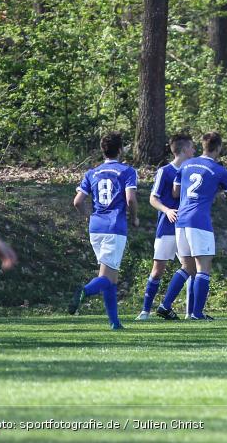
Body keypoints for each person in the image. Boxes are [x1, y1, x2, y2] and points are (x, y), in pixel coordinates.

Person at [156, 132, 227, 321]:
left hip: (180, 220)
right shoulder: (219, 170)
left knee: (187, 266)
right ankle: (197, 314)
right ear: (219, 148)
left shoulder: (185, 165)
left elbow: (175, 192)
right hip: (199, 221)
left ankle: (164, 305)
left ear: (203, 146)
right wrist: (224, 187)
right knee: (203, 268)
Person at [68, 133, 138, 330]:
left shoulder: (92, 173)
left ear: (102, 150)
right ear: (121, 149)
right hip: (114, 227)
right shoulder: (127, 171)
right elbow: (131, 199)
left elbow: (77, 202)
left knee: (110, 278)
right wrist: (134, 218)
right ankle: (85, 291)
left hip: (96, 227)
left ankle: (115, 323)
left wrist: (89, 217)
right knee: (107, 278)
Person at [137, 133, 195, 320]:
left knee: (191, 268)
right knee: (157, 270)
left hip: (185, 227)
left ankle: (189, 312)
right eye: (192, 147)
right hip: (167, 226)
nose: (194, 151)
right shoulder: (165, 171)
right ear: (185, 150)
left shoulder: (193, 171)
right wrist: (167, 210)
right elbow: (153, 198)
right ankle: (145, 311)